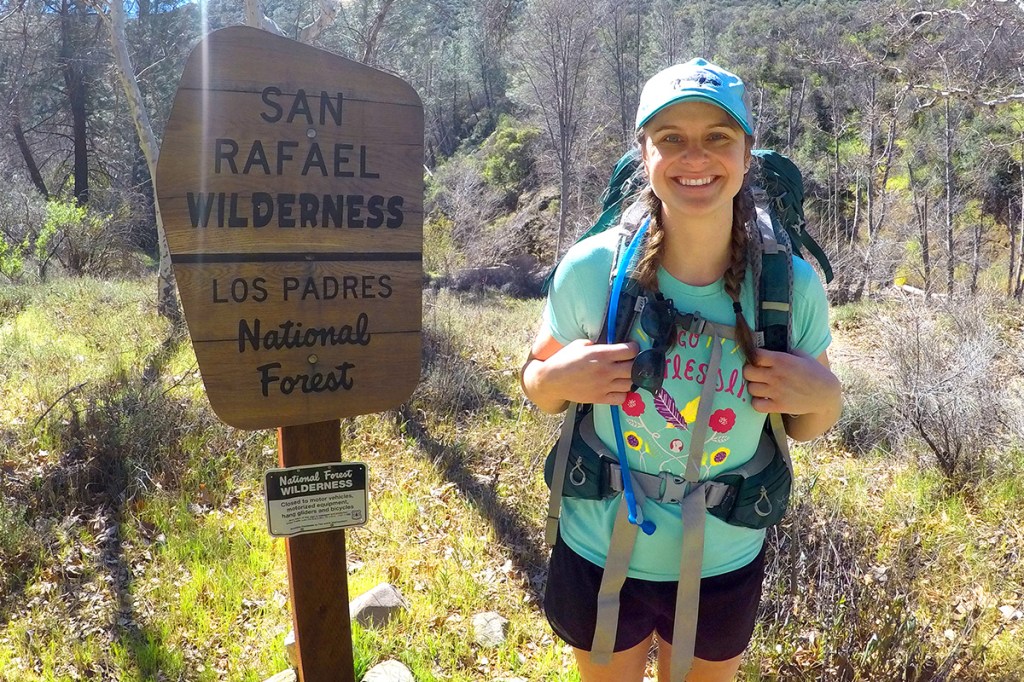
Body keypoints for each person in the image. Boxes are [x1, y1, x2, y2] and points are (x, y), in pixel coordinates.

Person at [520, 58, 842, 682]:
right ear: (645, 153)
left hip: (724, 557)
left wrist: (826, 395)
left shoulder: (788, 286)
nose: (695, 158)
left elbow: (806, 424)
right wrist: (557, 380)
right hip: (598, 548)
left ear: (749, 153)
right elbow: (538, 384)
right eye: (671, 139)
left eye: (717, 137)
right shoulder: (592, 270)